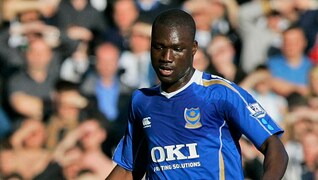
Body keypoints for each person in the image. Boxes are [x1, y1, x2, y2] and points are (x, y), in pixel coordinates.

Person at [106, 9, 288, 179]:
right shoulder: (142, 101)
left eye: (177, 49)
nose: (166, 57)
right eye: (159, 47)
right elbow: (128, 169)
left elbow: (273, 146)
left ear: (193, 48)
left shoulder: (220, 93)